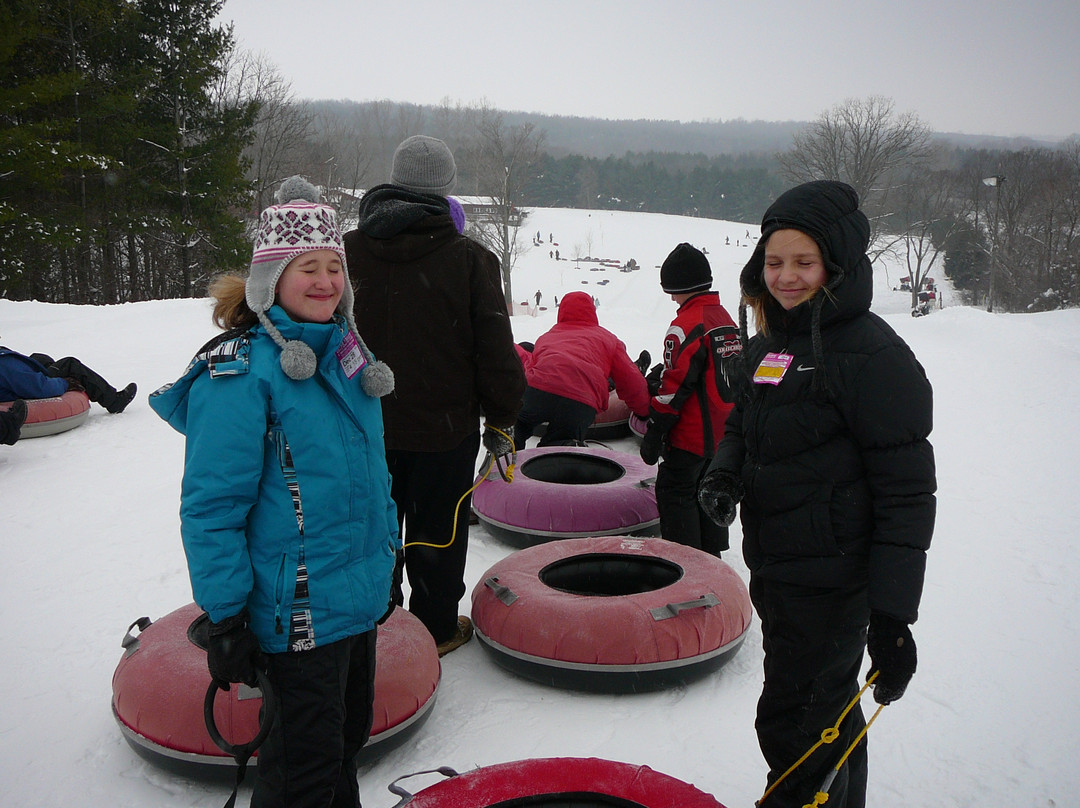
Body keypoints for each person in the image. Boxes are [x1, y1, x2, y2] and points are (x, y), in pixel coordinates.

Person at [150, 176, 399, 807]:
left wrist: (384, 560)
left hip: (356, 605)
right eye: (306, 268)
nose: (325, 282)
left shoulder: (348, 357)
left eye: (334, 268)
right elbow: (211, 507)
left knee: (343, 746)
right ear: (270, 282)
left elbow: (368, 480)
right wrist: (227, 614)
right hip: (298, 617)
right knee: (300, 775)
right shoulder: (241, 374)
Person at [697, 181, 936, 808]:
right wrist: (724, 473)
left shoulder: (874, 357)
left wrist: (892, 618)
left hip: (833, 583)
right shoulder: (770, 344)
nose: (786, 277)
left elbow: (907, 496)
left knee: (797, 725)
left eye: (804, 262)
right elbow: (742, 424)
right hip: (778, 569)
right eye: (774, 262)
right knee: (826, 711)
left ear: (837, 265)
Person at [344, 135, 525, 656]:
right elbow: (495, 350)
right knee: (438, 535)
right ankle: (435, 628)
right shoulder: (468, 259)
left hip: (363, 425)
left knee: (373, 531)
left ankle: (377, 624)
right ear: (445, 189)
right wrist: (504, 417)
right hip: (444, 432)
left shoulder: (346, 253)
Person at [639, 243, 741, 557]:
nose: (671, 299)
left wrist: (656, 426)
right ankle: (712, 555)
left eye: (672, 291)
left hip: (692, 434)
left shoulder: (686, 325)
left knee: (675, 491)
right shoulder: (725, 318)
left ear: (680, 286)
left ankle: (685, 560)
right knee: (707, 491)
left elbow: (675, 385)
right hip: (724, 432)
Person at [515, 291, 649, 447]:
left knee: (518, 425)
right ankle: (557, 452)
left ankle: (503, 452)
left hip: (538, 391)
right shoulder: (609, 339)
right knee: (558, 444)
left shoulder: (547, 336)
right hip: (579, 400)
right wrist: (643, 412)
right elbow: (632, 382)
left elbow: (529, 367)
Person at [0, 347, 137, 413]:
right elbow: (40, 388)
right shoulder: (5, 365)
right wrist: (65, 383)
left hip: (14, 383)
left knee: (40, 358)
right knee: (70, 364)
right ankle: (113, 401)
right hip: (22, 391)